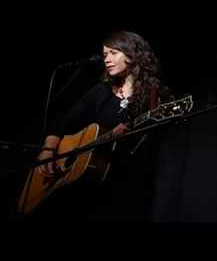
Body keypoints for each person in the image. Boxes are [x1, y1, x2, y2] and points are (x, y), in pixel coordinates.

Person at [35, 30, 170, 220]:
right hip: (77, 188)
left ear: (132, 54)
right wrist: (48, 150)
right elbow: (62, 123)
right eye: (105, 54)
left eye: (113, 53)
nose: (107, 59)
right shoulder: (101, 91)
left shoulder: (154, 97)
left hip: (120, 189)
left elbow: (148, 151)